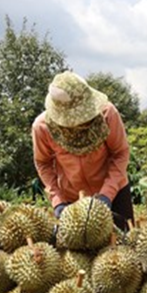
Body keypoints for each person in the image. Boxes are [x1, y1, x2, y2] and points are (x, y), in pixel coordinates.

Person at [32, 71, 134, 231]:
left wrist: (107, 193)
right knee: (82, 252)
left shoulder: (107, 114)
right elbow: (43, 163)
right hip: (73, 199)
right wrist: (57, 200)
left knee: (125, 245)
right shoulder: (42, 127)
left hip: (115, 192)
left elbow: (120, 153)